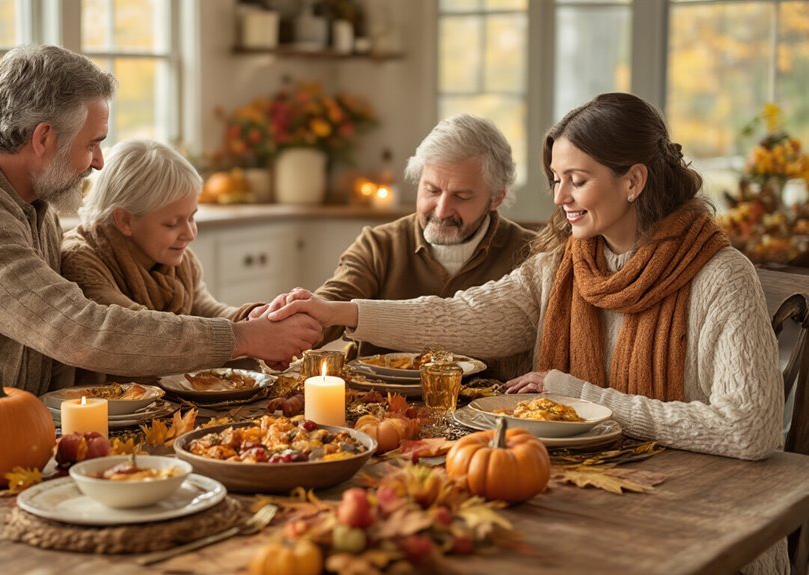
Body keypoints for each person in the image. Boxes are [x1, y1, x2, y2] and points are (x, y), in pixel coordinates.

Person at [264, 94, 787, 573]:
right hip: (594, 496)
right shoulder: (564, 262)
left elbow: (749, 430)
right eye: (555, 178)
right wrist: (341, 311)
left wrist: (579, 398)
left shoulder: (720, 275)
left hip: (704, 518)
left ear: (633, 181)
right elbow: (462, 318)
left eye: (577, 180)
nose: (559, 197)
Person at [0, 45, 322, 482]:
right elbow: (78, 329)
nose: (99, 161)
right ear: (43, 138)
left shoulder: (32, 205)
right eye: (93, 143)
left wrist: (248, 326)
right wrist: (243, 339)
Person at [254, 113, 536, 378]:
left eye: (461, 196)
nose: (441, 209)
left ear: (496, 198)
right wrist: (289, 323)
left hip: (490, 414)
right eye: (432, 190)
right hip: (382, 409)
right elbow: (333, 301)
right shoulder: (379, 244)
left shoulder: (531, 254)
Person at [61, 139, 261, 383]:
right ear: (124, 220)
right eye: (172, 223)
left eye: (192, 217)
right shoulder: (81, 260)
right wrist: (246, 336)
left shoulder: (180, 261)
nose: (190, 233)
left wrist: (256, 318)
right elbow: (135, 330)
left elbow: (207, 311)